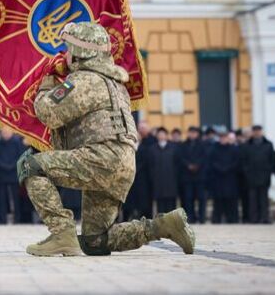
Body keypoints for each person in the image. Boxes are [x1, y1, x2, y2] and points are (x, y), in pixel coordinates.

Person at [20, 23, 194, 257]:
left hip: (100, 158)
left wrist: (48, 82)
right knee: (95, 241)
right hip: (121, 163)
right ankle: (161, 227)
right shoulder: (115, 83)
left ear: (81, 52)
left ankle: (61, 232)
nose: (65, 55)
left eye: (68, 49)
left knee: (29, 165)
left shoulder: (85, 80)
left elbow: (48, 112)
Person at [239, 125, 275, 223]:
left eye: (258, 131)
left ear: (261, 132)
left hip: (264, 176)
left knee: (264, 199)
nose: (257, 133)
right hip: (251, 177)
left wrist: (268, 171)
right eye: (255, 131)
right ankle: (253, 218)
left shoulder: (268, 144)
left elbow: (272, 160)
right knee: (252, 199)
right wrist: (247, 173)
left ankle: (265, 218)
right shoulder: (246, 145)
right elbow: (243, 161)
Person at [0, 125, 24, 223]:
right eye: (3, 133)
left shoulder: (17, 143)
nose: (5, 134)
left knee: (15, 198)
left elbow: (20, 156)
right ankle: (2, 219)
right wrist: (4, 166)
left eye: (7, 133)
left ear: (11, 133)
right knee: (2, 198)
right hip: (1, 174)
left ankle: (17, 219)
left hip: (13, 173)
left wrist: (11, 166)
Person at [208, 128, 240, 223]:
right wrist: (220, 168)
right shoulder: (214, 149)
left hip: (230, 178)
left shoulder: (234, 149)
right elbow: (211, 161)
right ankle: (216, 219)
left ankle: (232, 219)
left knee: (231, 201)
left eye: (225, 137)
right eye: (221, 137)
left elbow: (236, 162)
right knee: (218, 201)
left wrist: (227, 169)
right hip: (218, 178)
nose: (223, 139)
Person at [178, 125, 208, 219]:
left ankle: (201, 217)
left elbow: (204, 157)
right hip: (187, 176)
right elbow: (181, 158)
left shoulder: (202, 144)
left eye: (194, 133)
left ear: (197, 134)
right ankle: (190, 217)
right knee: (188, 198)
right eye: (190, 132)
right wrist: (188, 165)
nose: (192, 134)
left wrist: (197, 165)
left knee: (201, 198)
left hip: (200, 176)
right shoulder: (183, 144)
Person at [148, 127, 179, 214]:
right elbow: (150, 166)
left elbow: (177, 165)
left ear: (166, 136)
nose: (161, 136)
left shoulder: (173, 148)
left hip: (171, 182)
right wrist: (153, 177)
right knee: (160, 206)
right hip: (158, 183)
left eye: (163, 134)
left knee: (171, 206)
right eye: (159, 134)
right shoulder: (152, 149)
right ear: (157, 136)